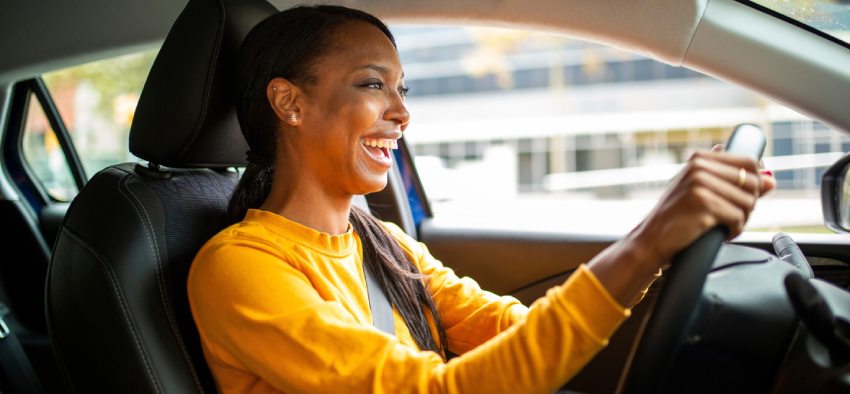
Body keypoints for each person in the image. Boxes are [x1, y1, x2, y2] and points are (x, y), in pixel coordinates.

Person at [187, 5, 776, 393]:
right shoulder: (239, 267)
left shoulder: (382, 242)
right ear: (290, 104)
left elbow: (511, 333)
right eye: (372, 84)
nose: (401, 112)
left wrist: (659, 252)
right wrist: (645, 245)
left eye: (402, 89)